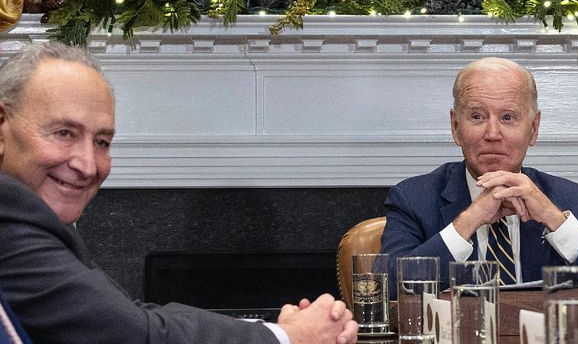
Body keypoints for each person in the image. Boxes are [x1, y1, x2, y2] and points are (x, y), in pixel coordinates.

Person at [0, 41, 359, 344]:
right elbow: (134, 334)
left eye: (102, 141)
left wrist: (277, 330)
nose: (88, 165)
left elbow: (126, 317)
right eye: (64, 133)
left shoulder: (29, 217)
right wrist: (286, 338)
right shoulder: (9, 215)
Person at [380, 57, 578, 284]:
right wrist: (468, 221)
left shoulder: (571, 200)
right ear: (455, 126)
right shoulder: (413, 198)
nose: (493, 134)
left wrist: (555, 221)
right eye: (477, 117)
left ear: (534, 128)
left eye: (508, 117)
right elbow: (386, 291)